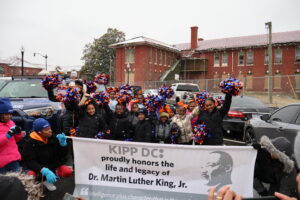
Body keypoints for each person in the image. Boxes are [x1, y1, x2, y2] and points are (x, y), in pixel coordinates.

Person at [22, 118, 73, 191]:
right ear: (39, 132)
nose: (50, 131)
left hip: (52, 165)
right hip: (38, 168)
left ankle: (48, 180)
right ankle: (37, 183)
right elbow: (30, 162)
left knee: (67, 171)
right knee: (30, 175)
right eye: (46, 129)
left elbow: (62, 156)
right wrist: (43, 170)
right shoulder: (29, 142)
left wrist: (63, 145)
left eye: (50, 128)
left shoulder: (53, 137)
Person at [0, 98, 23, 174]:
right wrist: (8, 135)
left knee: (16, 182)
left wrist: (18, 133)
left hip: (13, 159)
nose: (9, 116)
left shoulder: (11, 122)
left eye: (10, 114)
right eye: (6, 114)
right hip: (2, 163)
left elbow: (16, 140)